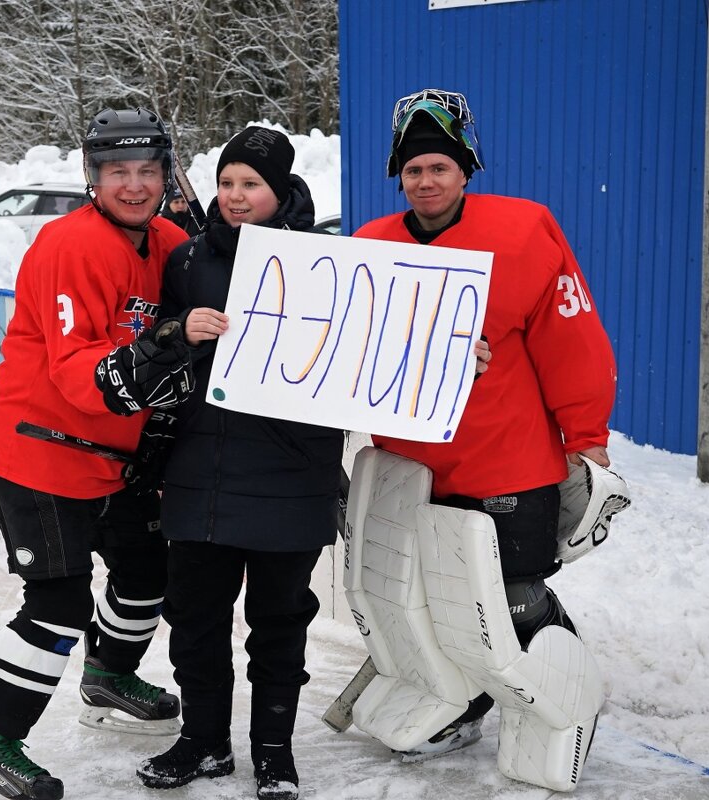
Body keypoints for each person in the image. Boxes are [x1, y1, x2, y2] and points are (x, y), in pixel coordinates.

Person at [352, 89, 617, 786]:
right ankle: (463, 700)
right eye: (413, 170)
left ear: (466, 169)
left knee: (512, 593)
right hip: (414, 465)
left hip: (506, 458)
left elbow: (573, 342)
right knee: (433, 597)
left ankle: (566, 694)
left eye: (439, 167)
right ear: (397, 176)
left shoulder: (524, 231)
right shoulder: (370, 245)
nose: (426, 182)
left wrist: (586, 438)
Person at [0, 107, 194, 800]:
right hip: (40, 452)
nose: (133, 184)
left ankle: (109, 675)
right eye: (117, 172)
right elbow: (76, 373)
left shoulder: (170, 239)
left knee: (148, 569)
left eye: (147, 171)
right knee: (58, 602)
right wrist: (158, 356)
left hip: (112, 456)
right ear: (93, 178)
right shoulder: (71, 246)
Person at [135, 126, 344, 800]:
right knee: (195, 619)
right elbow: (155, 344)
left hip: (292, 475)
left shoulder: (328, 263)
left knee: (279, 625)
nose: (234, 195)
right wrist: (176, 330)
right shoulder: (189, 261)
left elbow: (369, 352)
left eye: (249, 183)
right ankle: (203, 741)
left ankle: (274, 751)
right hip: (203, 468)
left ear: (279, 190)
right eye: (225, 183)